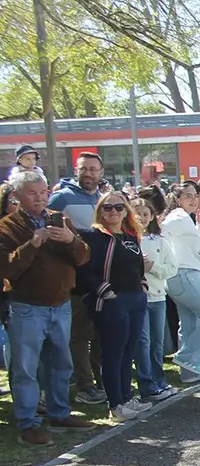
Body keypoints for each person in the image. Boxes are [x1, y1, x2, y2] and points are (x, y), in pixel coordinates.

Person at [0, 171, 97, 445]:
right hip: (27, 307)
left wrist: (70, 240)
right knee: (26, 369)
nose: (40, 198)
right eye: (32, 193)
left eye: (43, 192)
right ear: (17, 196)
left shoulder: (59, 219)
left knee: (61, 364)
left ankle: (59, 414)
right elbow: (7, 268)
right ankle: (28, 423)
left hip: (61, 303)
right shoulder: (7, 227)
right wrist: (32, 245)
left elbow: (83, 257)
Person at [76, 193, 154, 421]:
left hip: (135, 298)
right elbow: (83, 270)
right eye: (107, 207)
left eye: (119, 207)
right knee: (113, 353)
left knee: (129, 351)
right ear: (100, 211)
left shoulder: (131, 235)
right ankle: (116, 404)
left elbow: (136, 265)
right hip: (111, 300)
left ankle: (127, 397)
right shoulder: (93, 236)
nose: (113, 212)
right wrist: (104, 290)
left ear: (126, 210)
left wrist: (142, 284)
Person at [49, 152, 107, 405]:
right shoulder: (61, 198)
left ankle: (101, 381)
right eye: (84, 169)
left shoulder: (102, 199)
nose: (88, 173)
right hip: (75, 280)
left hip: (101, 278)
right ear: (76, 170)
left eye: (93, 169)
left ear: (101, 172)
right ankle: (85, 386)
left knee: (100, 333)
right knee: (80, 335)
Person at [163, 181, 200, 383]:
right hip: (184, 274)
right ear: (177, 199)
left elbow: (199, 247)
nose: (193, 199)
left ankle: (189, 371)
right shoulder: (178, 216)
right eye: (187, 195)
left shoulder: (186, 218)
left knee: (188, 325)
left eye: (195, 195)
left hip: (185, 275)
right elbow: (161, 231)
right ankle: (187, 356)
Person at [132, 197, 179, 403]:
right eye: (138, 214)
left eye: (145, 214)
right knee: (143, 342)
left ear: (152, 216)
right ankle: (146, 383)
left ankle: (159, 379)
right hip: (138, 297)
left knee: (157, 342)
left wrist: (153, 267)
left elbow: (172, 267)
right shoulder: (129, 240)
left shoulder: (159, 241)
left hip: (158, 297)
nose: (142, 218)